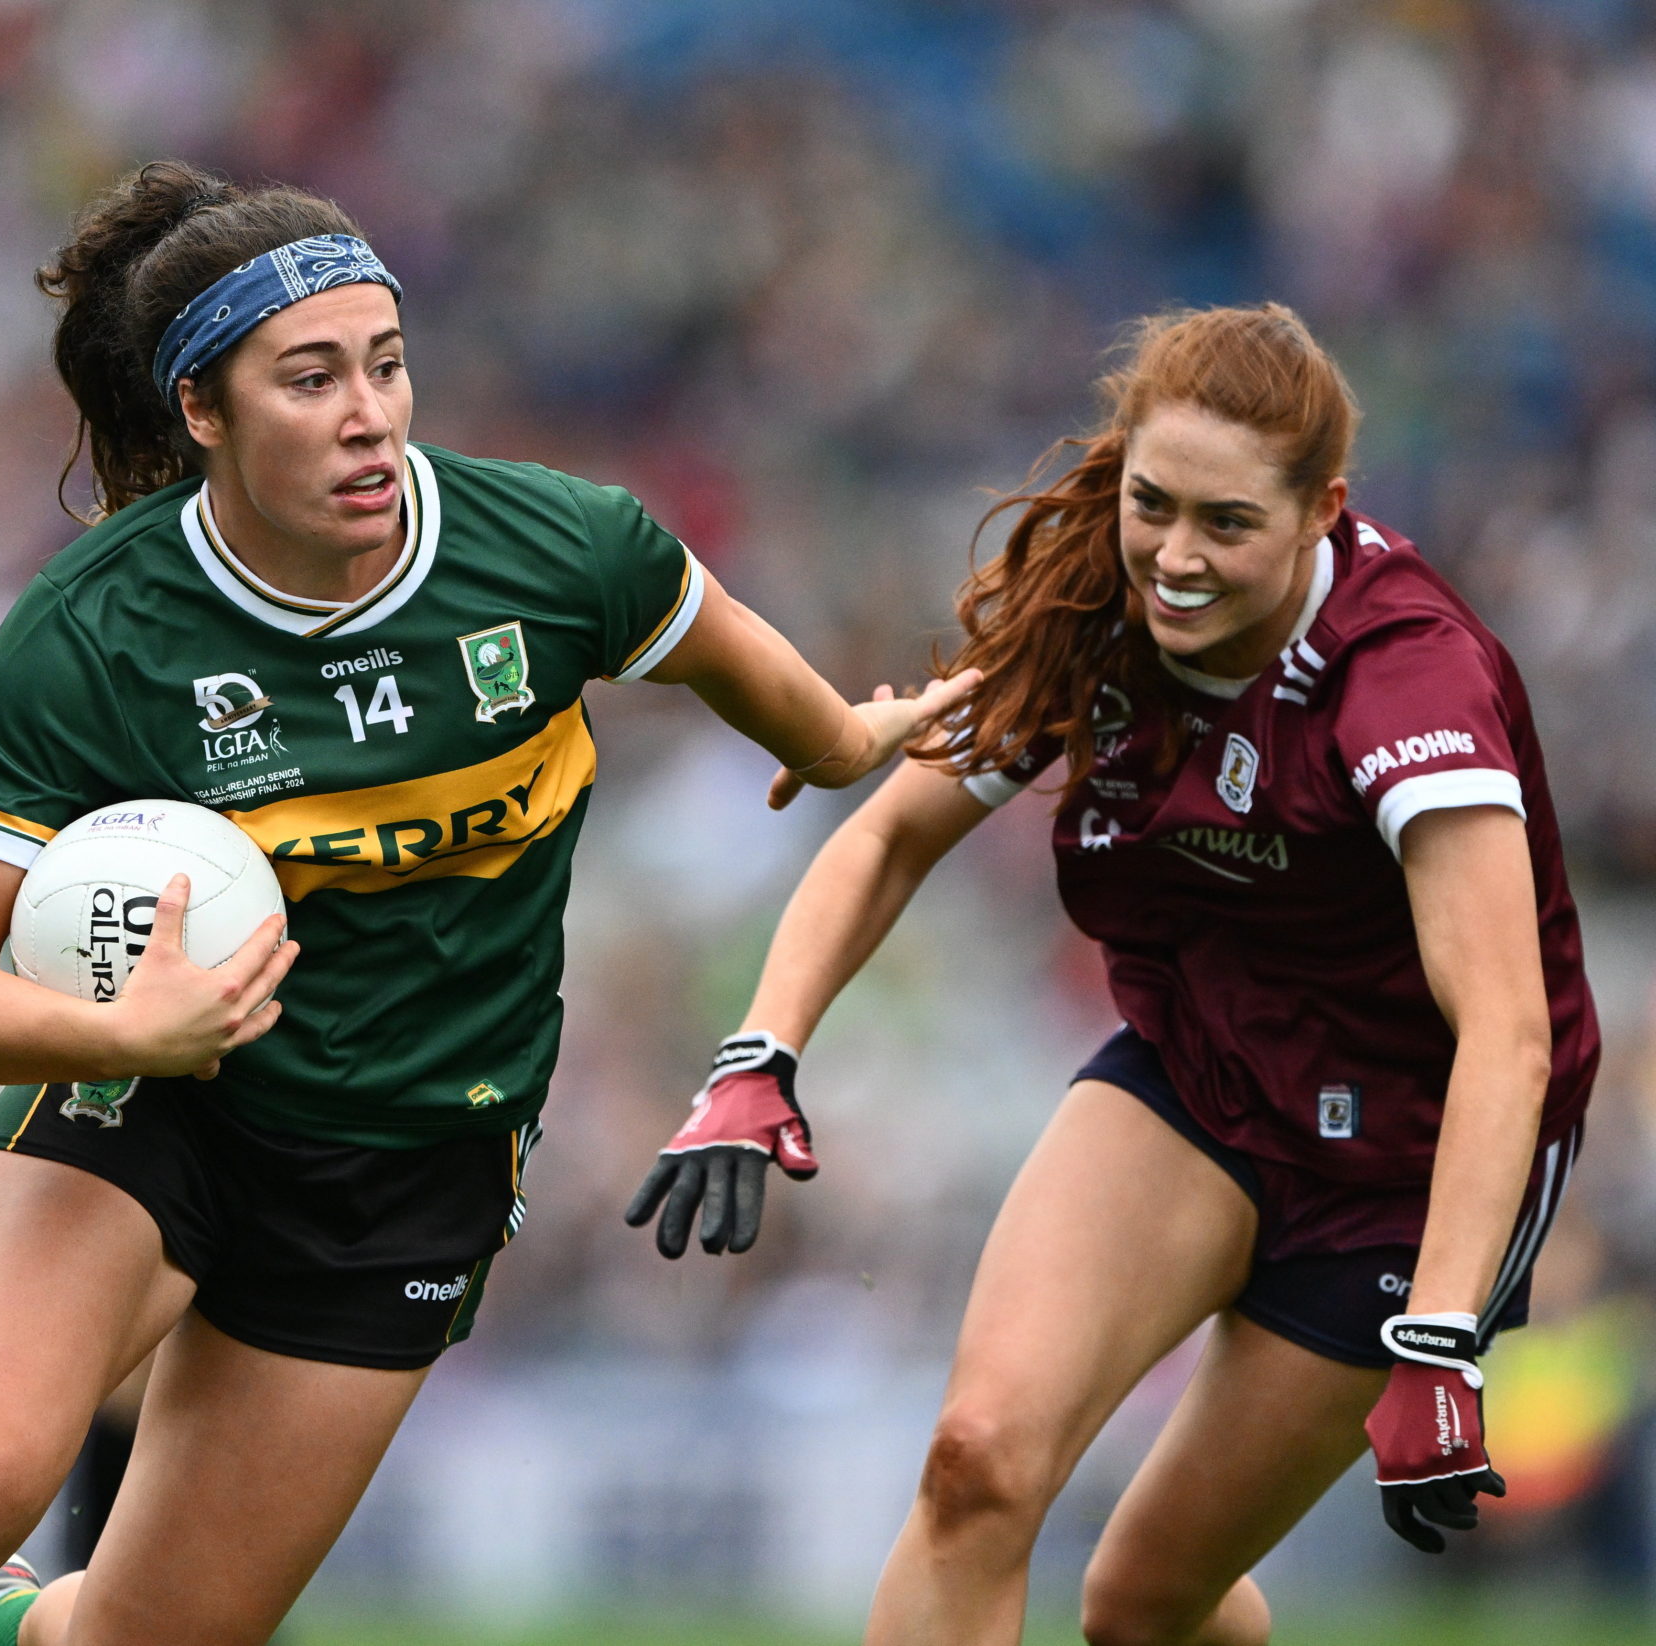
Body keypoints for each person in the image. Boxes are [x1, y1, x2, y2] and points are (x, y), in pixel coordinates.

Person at [0, 160, 976, 1646]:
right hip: (155, 1105)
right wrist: (121, 1030)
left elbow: (788, 705)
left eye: (385, 365)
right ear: (203, 410)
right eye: (309, 378)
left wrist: (856, 737)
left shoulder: (564, 550)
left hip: (409, 1164)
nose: (368, 413)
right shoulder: (90, 636)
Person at [627, 304, 1598, 1644]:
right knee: (975, 1463)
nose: (1177, 561)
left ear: (1324, 509)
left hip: (1407, 1164)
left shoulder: (1405, 679)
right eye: (1155, 504)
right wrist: (758, 1052)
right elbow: (892, 838)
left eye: (1227, 525)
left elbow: (1507, 1031)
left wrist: (1438, 1329)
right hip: (1200, 1076)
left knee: (1142, 1604)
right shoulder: (1098, 597)